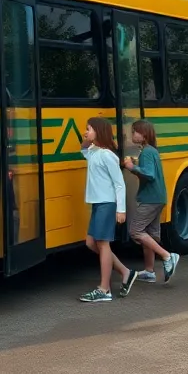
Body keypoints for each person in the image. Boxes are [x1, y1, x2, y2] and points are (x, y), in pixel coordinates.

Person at [78, 116, 137, 302]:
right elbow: (83, 149)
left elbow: (119, 184)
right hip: (97, 203)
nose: (86, 132)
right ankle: (126, 272)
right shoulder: (94, 152)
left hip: (107, 204)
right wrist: (86, 139)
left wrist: (121, 210)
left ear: (99, 132)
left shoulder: (108, 155)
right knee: (90, 243)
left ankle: (104, 290)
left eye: (89, 129)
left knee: (103, 244)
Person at [122, 119, 179, 283]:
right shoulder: (151, 150)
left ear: (144, 134)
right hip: (158, 197)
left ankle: (167, 256)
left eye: (134, 131)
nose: (132, 134)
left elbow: (149, 174)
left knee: (136, 231)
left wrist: (131, 168)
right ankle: (149, 271)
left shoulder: (147, 151)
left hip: (150, 198)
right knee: (150, 235)